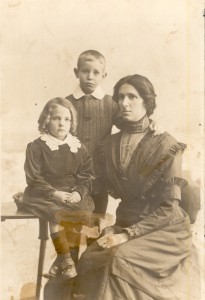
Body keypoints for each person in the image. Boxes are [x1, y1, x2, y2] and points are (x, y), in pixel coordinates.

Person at [72, 74, 200, 300]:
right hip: (126, 222)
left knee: (118, 258)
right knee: (89, 258)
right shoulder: (109, 144)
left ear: (147, 102)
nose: (124, 102)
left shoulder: (167, 145)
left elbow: (169, 209)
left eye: (132, 96)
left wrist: (127, 235)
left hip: (164, 229)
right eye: (120, 97)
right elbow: (94, 184)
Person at [66, 50, 162, 215]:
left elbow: (130, 125)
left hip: (99, 176)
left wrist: (151, 124)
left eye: (96, 72)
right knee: (69, 222)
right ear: (76, 72)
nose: (90, 76)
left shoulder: (111, 103)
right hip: (70, 174)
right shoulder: (66, 103)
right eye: (85, 71)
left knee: (95, 223)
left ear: (104, 75)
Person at [20, 97, 95, 280]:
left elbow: (87, 175)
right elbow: (34, 178)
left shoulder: (79, 148)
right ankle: (67, 260)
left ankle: (59, 261)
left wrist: (78, 192)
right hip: (44, 193)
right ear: (46, 120)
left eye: (67, 119)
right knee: (55, 214)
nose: (62, 123)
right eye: (56, 118)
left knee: (82, 211)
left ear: (72, 122)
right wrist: (54, 193)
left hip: (71, 193)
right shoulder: (37, 147)